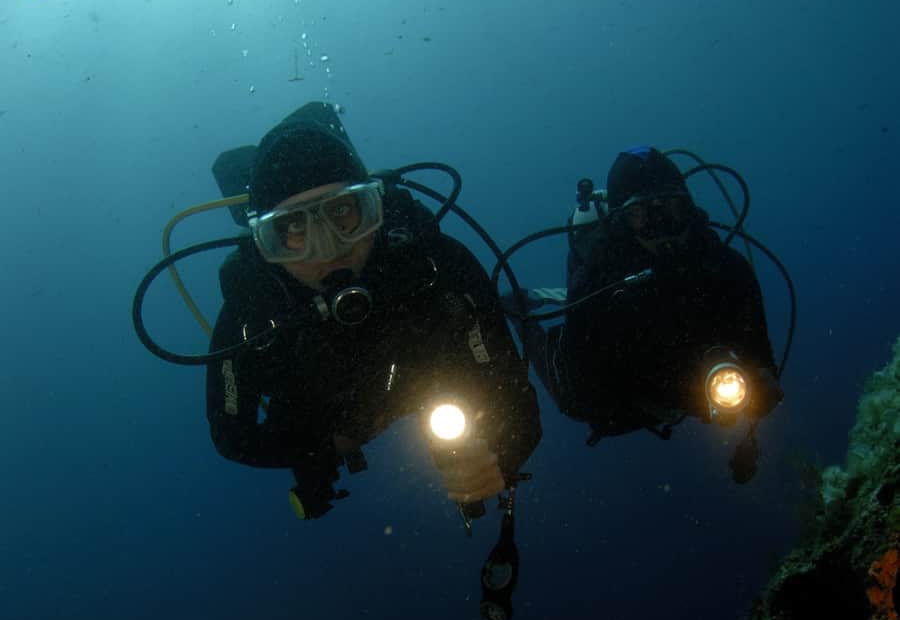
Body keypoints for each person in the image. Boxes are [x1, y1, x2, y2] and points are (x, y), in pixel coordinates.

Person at [205, 101, 542, 519]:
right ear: (263, 243)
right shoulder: (254, 307)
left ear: (375, 209)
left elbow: (516, 399)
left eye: (343, 212)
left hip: (427, 385)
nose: (328, 248)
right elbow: (232, 435)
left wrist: (500, 459)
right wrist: (327, 446)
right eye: (293, 228)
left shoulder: (433, 266)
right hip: (326, 419)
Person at [513, 146, 783, 483]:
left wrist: (761, 379)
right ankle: (520, 312)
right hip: (626, 390)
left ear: (688, 207)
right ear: (621, 222)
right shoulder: (598, 280)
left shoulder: (728, 268)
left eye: (672, 207)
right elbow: (590, 374)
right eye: (642, 214)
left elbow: (759, 351)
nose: (663, 227)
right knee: (574, 401)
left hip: (689, 381)